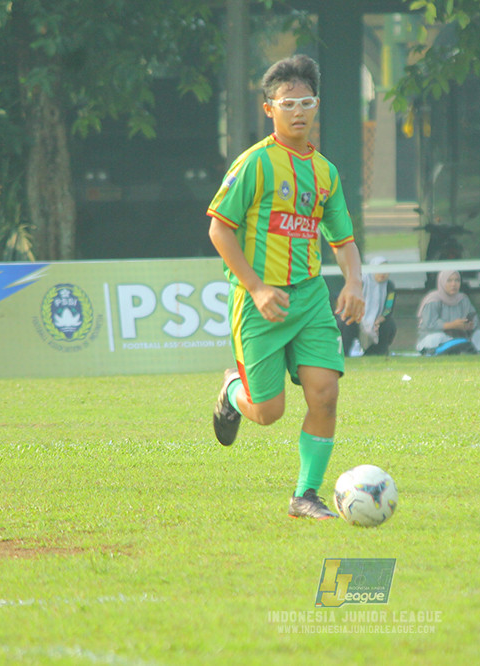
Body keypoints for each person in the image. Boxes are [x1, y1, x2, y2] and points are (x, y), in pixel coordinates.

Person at [207, 54, 365, 519]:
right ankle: (232, 391)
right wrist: (255, 288)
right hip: (260, 303)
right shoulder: (254, 164)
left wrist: (354, 281)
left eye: (307, 102)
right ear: (269, 109)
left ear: (317, 107)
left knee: (325, 393)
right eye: (288, 102)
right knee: (267, 411)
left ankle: (305, 495)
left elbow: (343, 239)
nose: (299, 111)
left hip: (310, 297)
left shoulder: (325, 173)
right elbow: (220, 228)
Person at [416, 270, 480, 354]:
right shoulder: (433, 300)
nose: (453, 284)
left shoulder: (462, 299)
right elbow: (429, 324)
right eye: (449, 281)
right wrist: (452, 325)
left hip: (462, 337)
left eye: (457, 280)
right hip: (439, 337)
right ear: (442, 282)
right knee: (436, 338)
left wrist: (469, 326)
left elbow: (474, 320)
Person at [337, 256, 396, 356]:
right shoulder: (361, 282)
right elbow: (349, 302)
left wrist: (380, 319)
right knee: (345, 322)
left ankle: (377, 352)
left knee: (389, 324)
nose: (383, 274)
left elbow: (388, 308)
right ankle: (345, 352)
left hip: (376, 321)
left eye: (385, 270)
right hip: (356, 317)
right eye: (379, 270)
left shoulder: (389, 286)